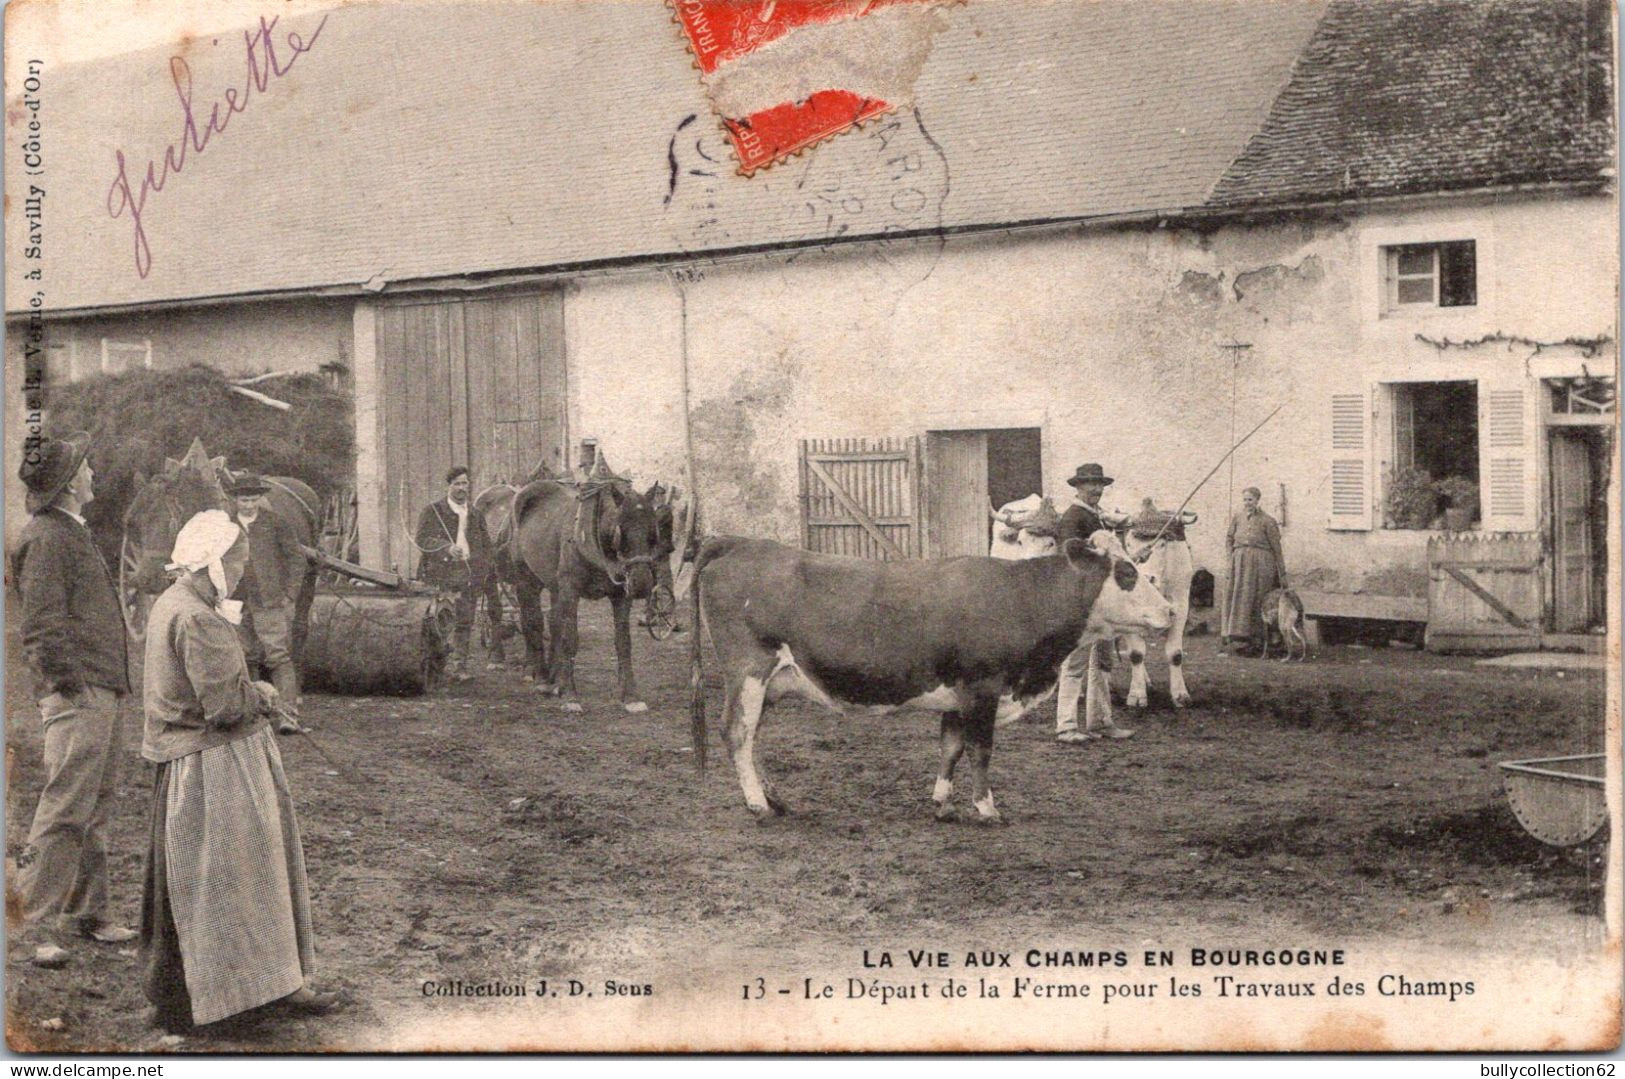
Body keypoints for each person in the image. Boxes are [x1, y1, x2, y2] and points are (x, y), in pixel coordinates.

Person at [140, 510, 337, 1033]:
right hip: (212, 767)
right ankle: (228, 1001)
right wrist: (264, 694)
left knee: (253, 880)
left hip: (216, 758)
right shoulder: (197, 617)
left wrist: (250, 692)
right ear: (212, 564)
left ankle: (269, 984)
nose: (243, 571)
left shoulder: (178, 602)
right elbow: (225, 707)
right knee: (224, 884)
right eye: (238, 562)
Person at [12, 432, 138, 968]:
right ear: (67, 485)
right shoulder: (47, 537)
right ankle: (25, 925)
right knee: (64, 808)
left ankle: (88, 913)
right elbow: (40, 626)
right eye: (85, 468)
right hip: (79, 691)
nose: (93, 475)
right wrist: (71, 687)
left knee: (96, 806)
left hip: (100, 687)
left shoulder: (71, 531)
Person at [1052, 463, 1134, 744]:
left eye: (1099, 484)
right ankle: (1065, 726)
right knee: (1075, 664)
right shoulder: (1072, 518)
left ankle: (1100, 722)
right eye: (1090, 484)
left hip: (1101, 604)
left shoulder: (1094, 517)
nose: (1096, 489)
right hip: (1079, 603)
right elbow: (1068, 556)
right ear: (1077, 487)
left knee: (1102, 661)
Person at [227, 472, 306, 733]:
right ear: (235, 500)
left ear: (260, 499)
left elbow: (296, 559)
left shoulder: (275, 523)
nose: (248, 505)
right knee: (245, 656)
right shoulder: (224, 526)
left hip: (269, 601)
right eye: (243, 500)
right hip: (236, 602)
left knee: (278, 656)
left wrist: (290, 595)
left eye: (253, 499)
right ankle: (254, 713)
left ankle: (288, 714)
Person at [415, 466, 493, 681]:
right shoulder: (433, 511)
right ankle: (435, 666)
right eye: (456, 483)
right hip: (440, 574)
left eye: (465, 483)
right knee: (438, 621)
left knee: (465, 622)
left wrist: (482, 570)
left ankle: (460, 667)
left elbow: (486, 547)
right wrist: (446, 548)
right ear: (448, 486)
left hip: (468, 575)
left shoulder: (476, 515)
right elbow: (421, 540)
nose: (461, 488)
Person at [1224, 486, 1287, 657]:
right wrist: (1231, 557)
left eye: (1250, 500)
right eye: (1245, 499)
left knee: (1257, 599)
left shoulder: (1268, 521)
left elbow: (1277, 548)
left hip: (1261, 565)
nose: (1247, 503)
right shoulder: (1237, 517)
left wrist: (1282, 573)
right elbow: (1229, 538)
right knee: (1242, 599)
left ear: (1257, 501)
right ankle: (1245, 639)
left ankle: (1261, 641)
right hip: (1240, 564)